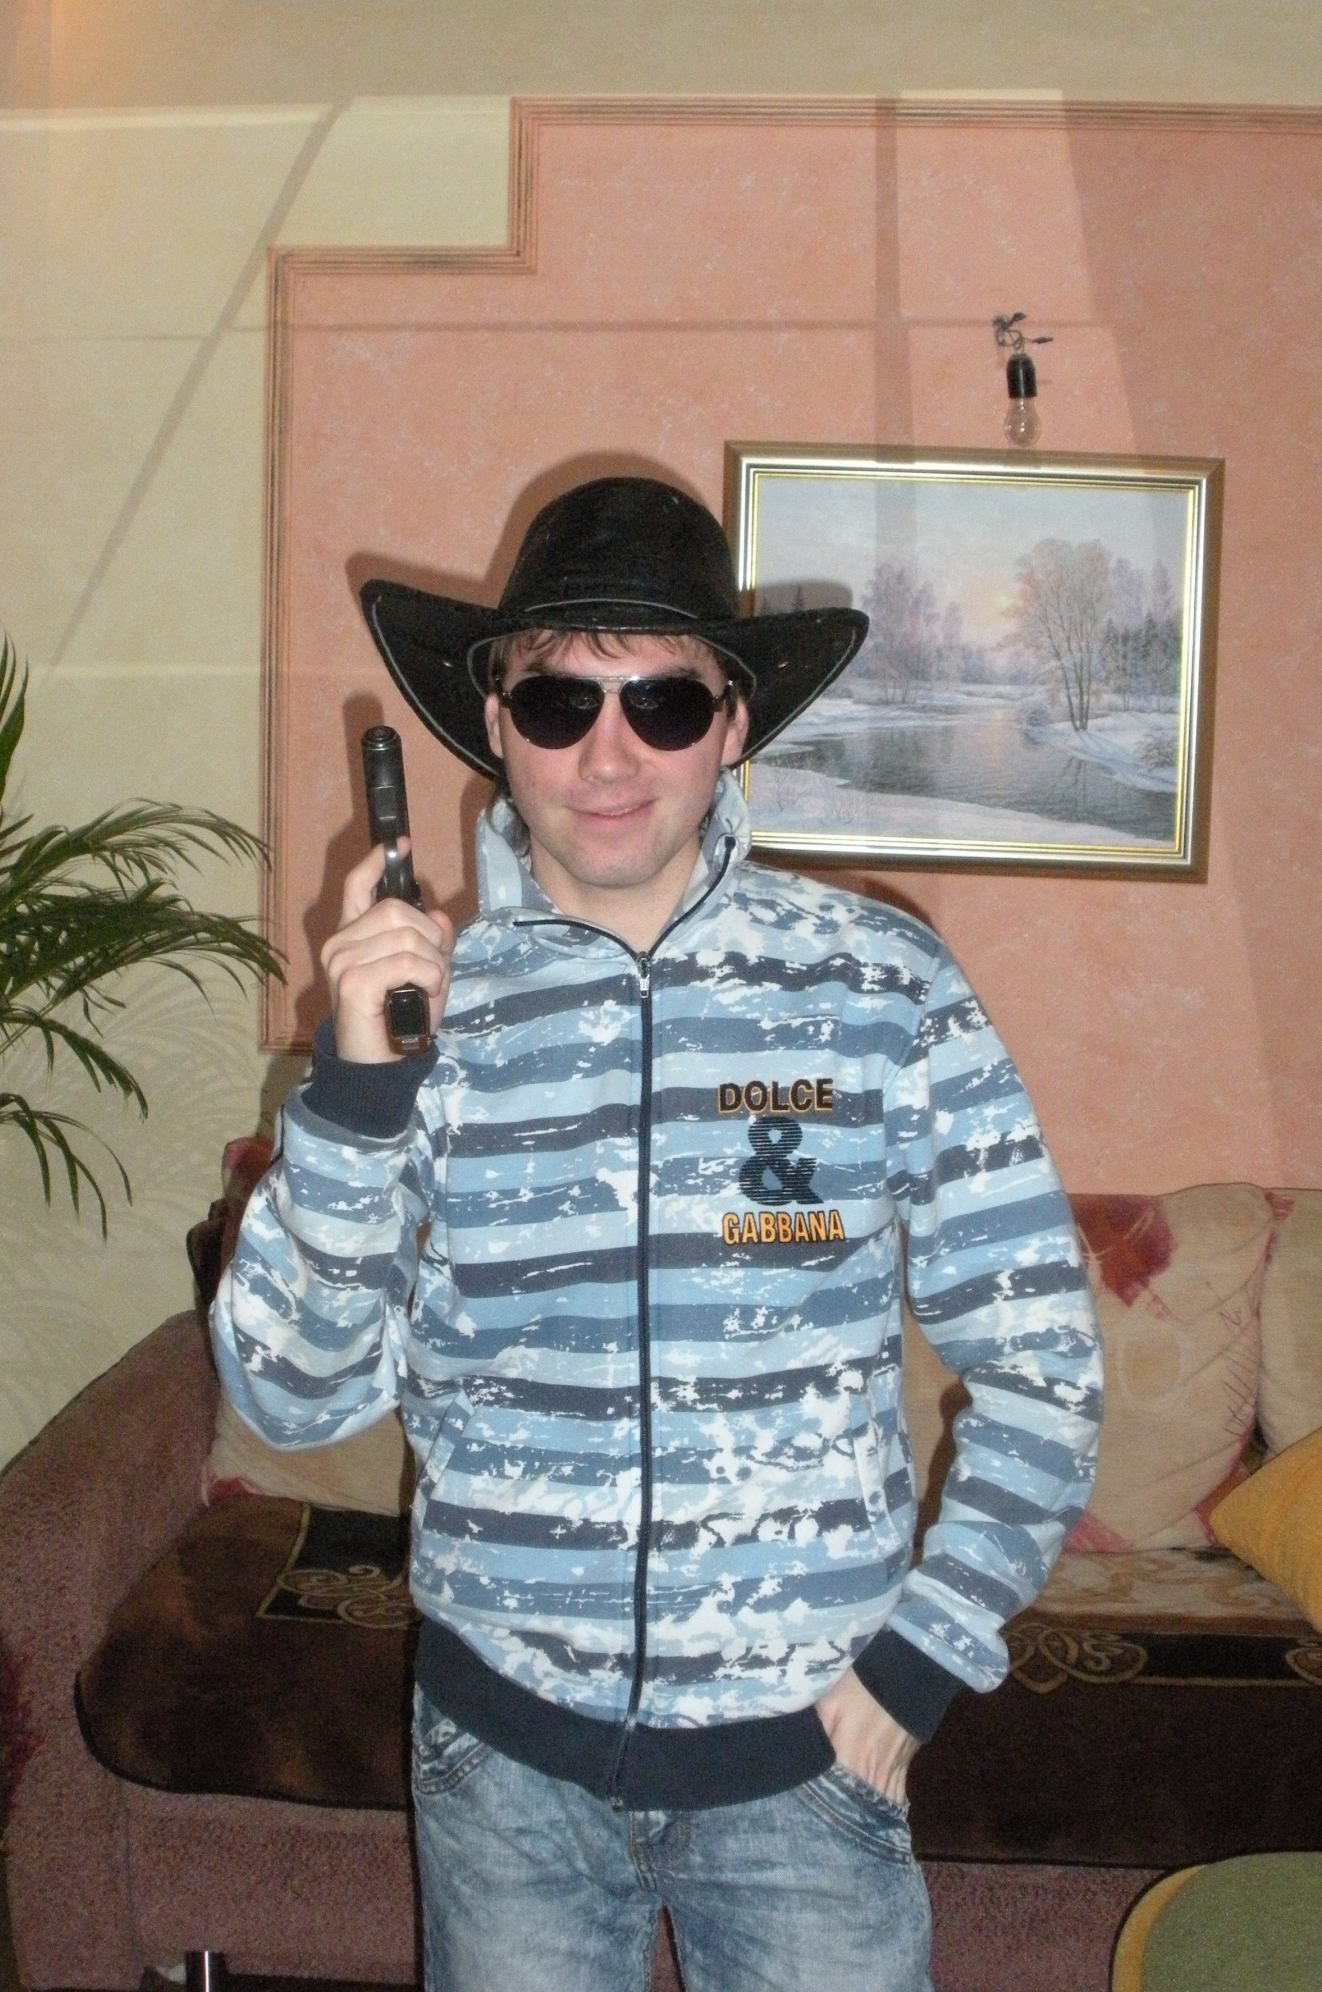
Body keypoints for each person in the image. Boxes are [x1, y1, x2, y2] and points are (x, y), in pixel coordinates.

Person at [212, 475, 1102, 1992]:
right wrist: (357, 1091)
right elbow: (291, 1397)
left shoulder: (880, 990)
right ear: (495, 722)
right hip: (504, 1768)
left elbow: (1046, 1367)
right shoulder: (423, 1018)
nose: (609, 754)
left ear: (733, 725)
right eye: (560, 701)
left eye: (665, 703)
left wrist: (920, 1660)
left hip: (809, 1773)